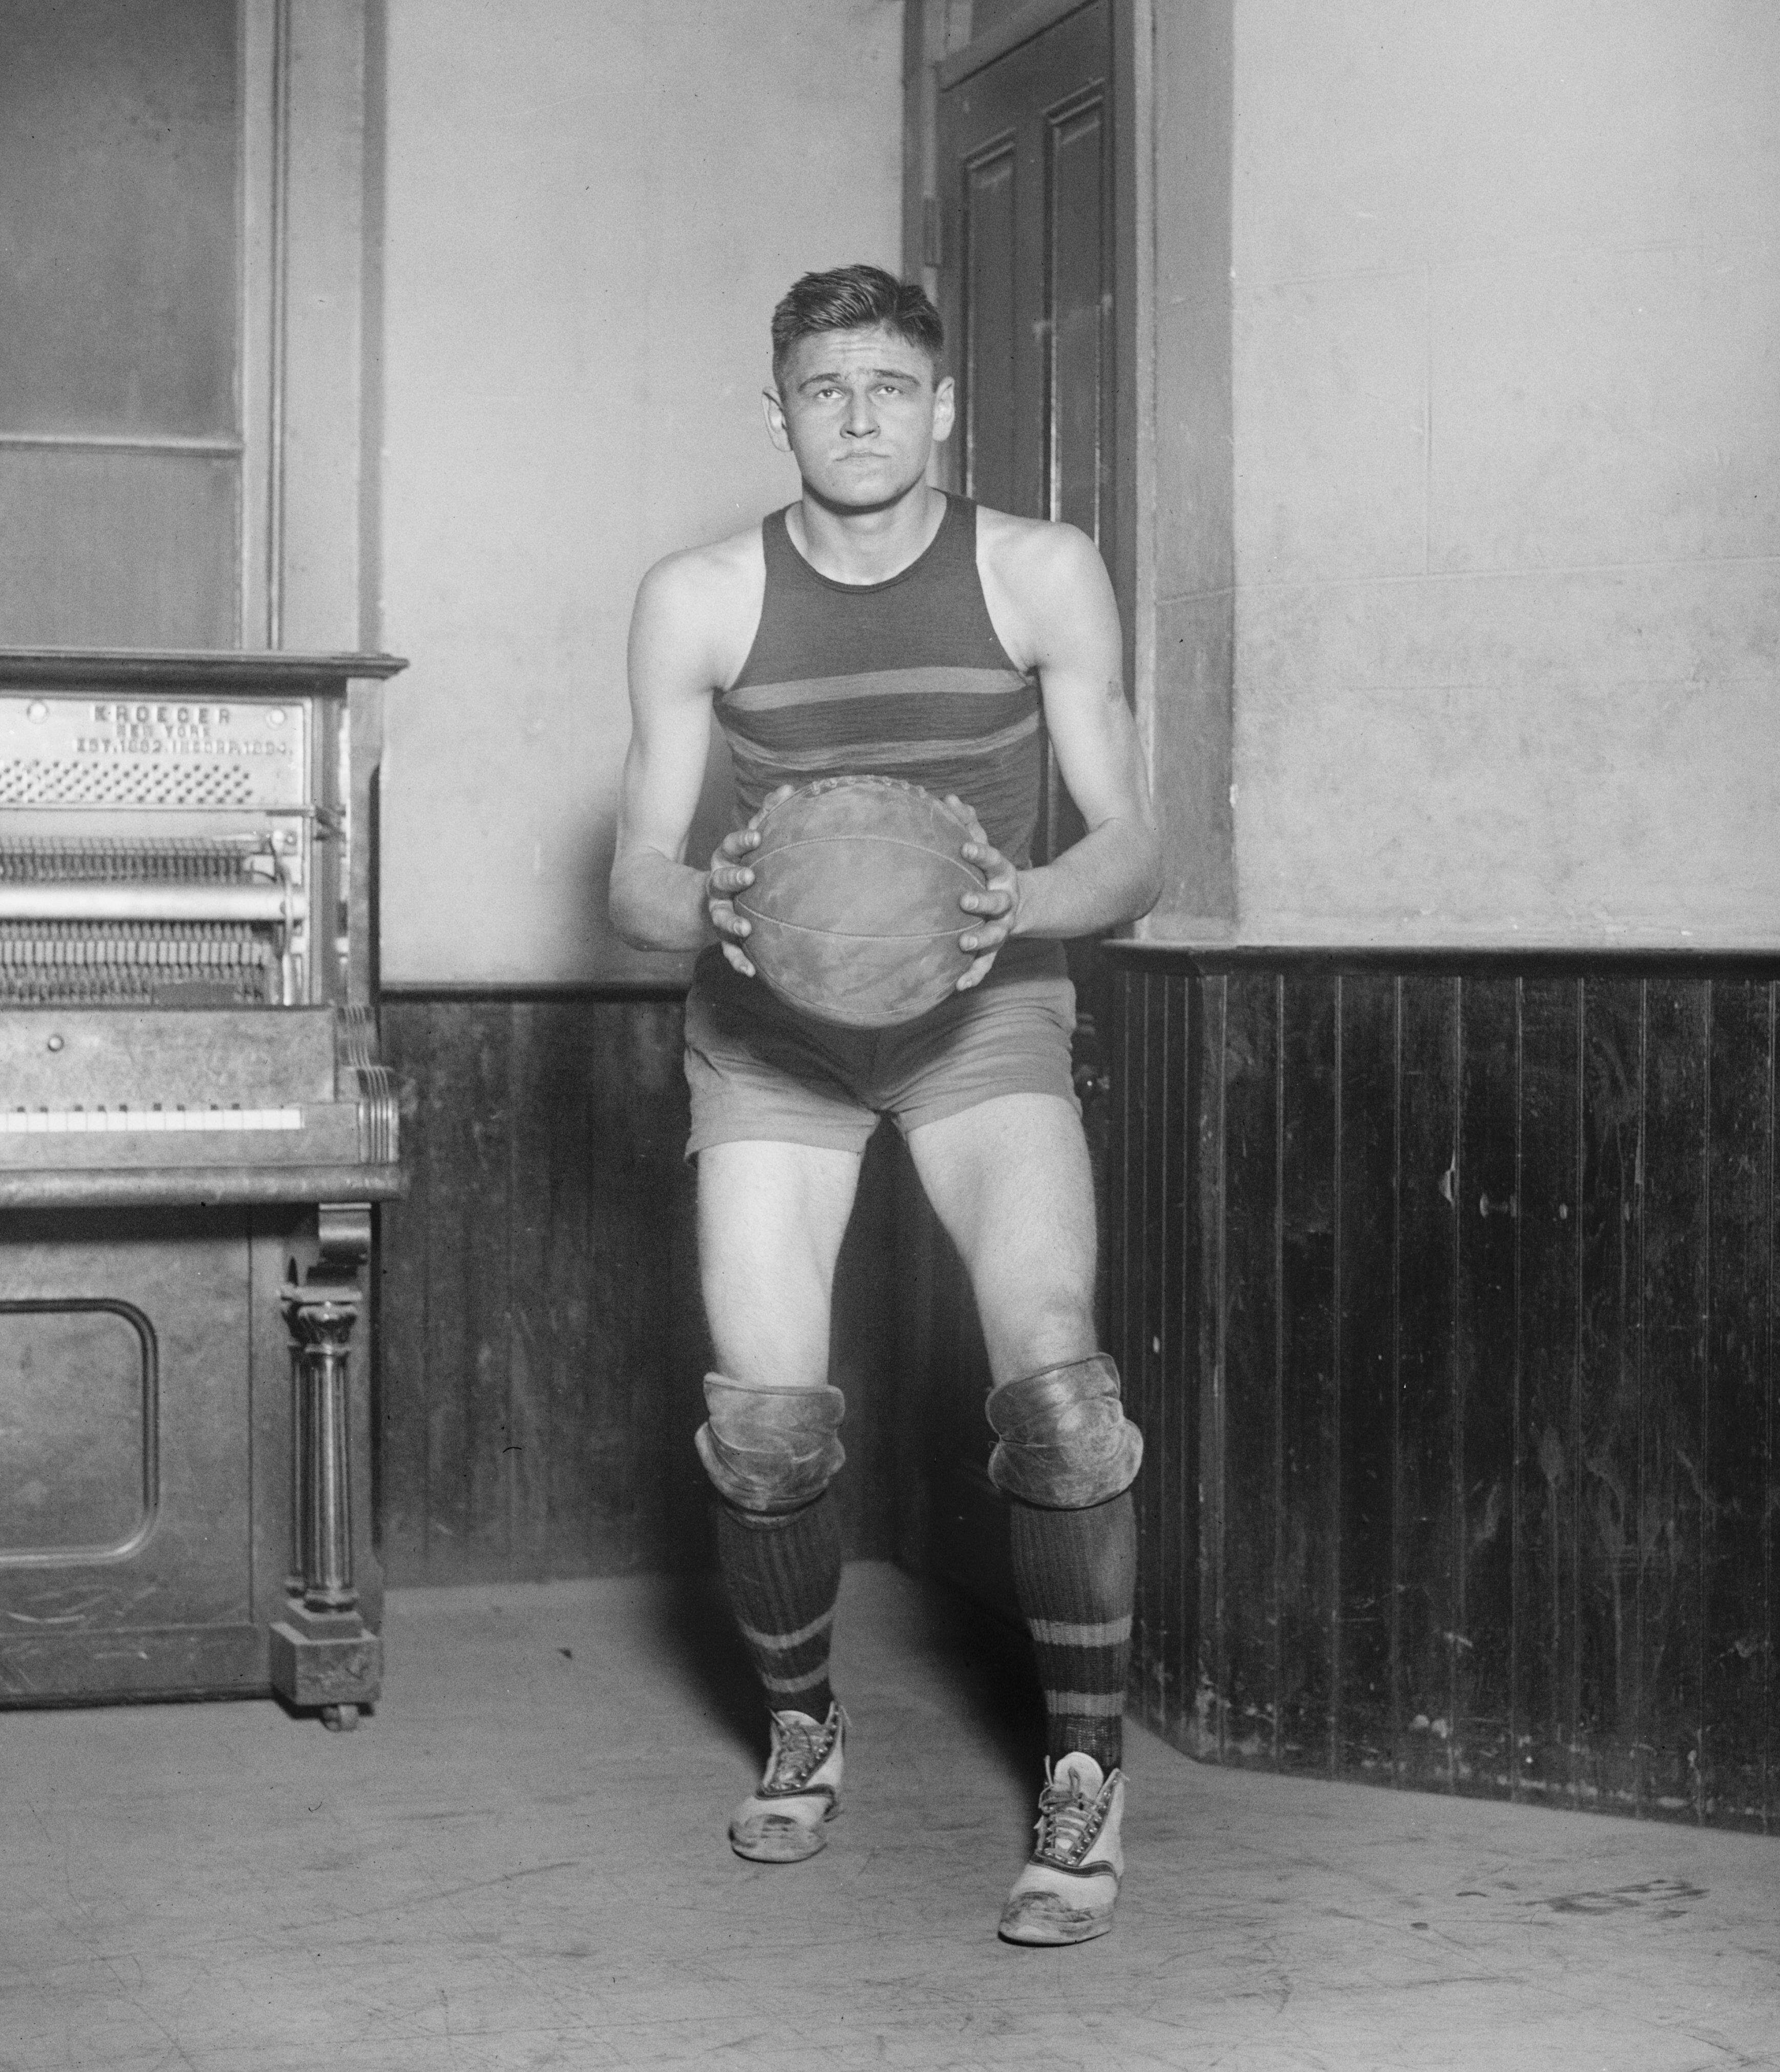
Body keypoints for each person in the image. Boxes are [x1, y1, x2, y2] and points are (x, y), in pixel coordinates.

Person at [609, 263, 1161, 1945]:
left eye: (889, 387)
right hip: (772, 1028)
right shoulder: (699, 595)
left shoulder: (1036, 571)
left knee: (1056, 1384)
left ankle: (1081, 1771)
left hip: (986, 1009)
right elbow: (631, 874)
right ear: (772, 410)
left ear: (944, 407)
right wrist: (716, 903)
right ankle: (799, 1718)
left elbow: (1133, 844)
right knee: (770, 1412)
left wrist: (1021, 904)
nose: (858, 417)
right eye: (823, 388)